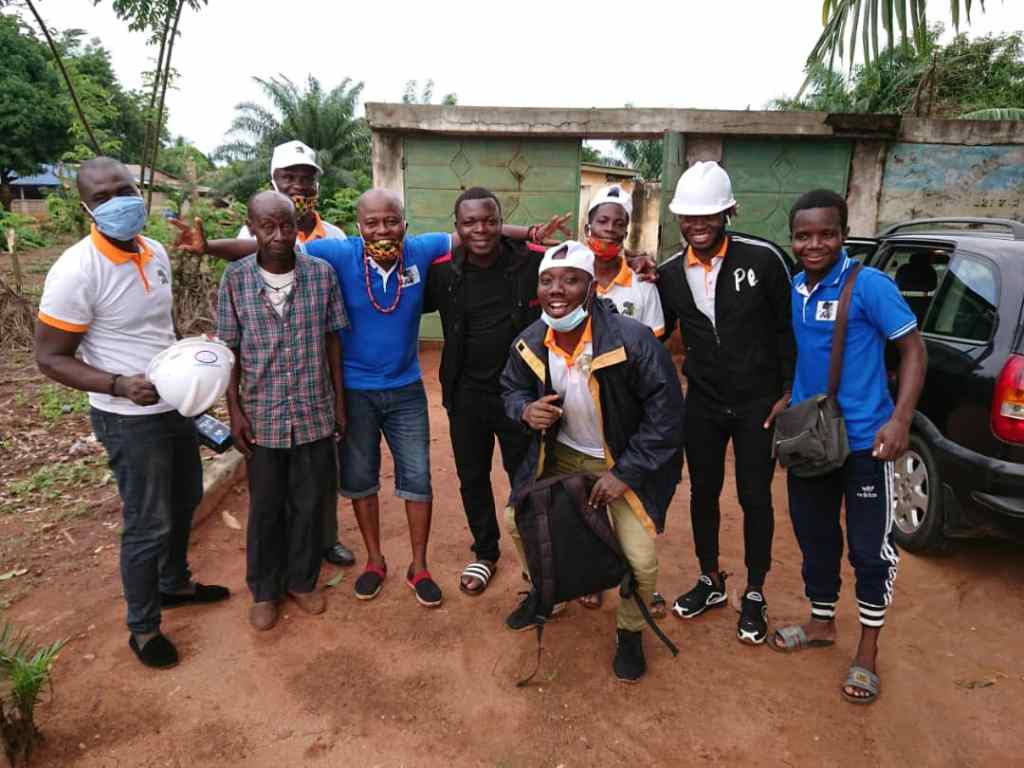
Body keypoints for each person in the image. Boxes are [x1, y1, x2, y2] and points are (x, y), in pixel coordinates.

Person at [35, 157, 229, 670]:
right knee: (148, 520)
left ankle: (175, 584)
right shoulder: (76, 270)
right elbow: (49, 357)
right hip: (127, 417)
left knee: (186, 498)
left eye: (123, 190)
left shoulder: (155, 250)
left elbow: (158, 330)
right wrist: (118, 384)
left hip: (173, 403)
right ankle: (143, 627)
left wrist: (190, 354)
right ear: (86, 208)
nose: (117, 202)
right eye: (102, 197)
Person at [501, 241, 685, 683]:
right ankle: (547, 592)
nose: (556, 290)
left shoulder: (631, 340)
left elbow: (666, 417)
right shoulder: (531, 341)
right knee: (518, 521)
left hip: (621, 460)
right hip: (563, 455)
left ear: (591, 288)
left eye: (570, 280)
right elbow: (510, 389)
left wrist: (624, 474)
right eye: (547, 281)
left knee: (640, 561)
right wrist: (524, 409)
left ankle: (630, 630)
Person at [770, 189, 925, 706]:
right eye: (803, 236)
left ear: (844, 235)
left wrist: (900, 419)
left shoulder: (870, 285)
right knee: (814, 536)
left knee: (868, 549)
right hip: (813, 440)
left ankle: (867, 650)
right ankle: (821, 623)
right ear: (792, 239)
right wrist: (789, 395)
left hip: (866, 444)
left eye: (826, 234)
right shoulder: (796, 287)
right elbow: (806, 352)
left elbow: (913, 350)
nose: (814, 244)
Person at [173, 139, 355, 568]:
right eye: (290, 177)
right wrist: (211, 246)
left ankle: (324, 542)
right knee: (273, 490)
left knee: (319, 478)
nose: (299, 185)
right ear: (273, 181)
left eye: (306, 178)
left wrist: (338, 397)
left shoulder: (335, 237)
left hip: (312, 382)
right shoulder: (248, 244)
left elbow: (332, 326)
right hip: (267, 388)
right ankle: (280, 561)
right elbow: (247, 272)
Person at [656, 160, 794, 645]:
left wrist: (788, 392)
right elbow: (657, 331)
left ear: (728, 212)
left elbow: (789, 329)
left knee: (755, 497)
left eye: (708, 215)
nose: (698, 225)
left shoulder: (765, 259)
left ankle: (755, 591)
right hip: (704, 402)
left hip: (760, 404)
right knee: (703, 492)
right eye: (689, 216)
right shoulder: (669, 273)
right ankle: (711, 579)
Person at [217, 191, 348, 631]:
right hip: (263, 414)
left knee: (309, 503)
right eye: (267, 226)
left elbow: (333, 340)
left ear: (297, 227)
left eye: (286, 225)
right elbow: (230, 351)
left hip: (313, 408)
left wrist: (339, 402)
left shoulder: (321, 275)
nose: (278, 235)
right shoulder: (235, 279)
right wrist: (235, 411)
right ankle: (264, 590)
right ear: (252, 227)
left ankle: (302, 580)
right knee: (266, 506)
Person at [424, 188, 544, 596]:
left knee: (525, 476)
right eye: (470, 222)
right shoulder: (443, 271)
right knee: (472, 476)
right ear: (457, 227)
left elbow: (583, 270)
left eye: (490, 220)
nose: (481, 229)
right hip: (466, 395)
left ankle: (534, 555)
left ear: (501, 223)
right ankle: (485, 551)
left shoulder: (531, 262)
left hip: (520, 395)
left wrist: (638, 263)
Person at [580, 183, 666, 612]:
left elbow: (654, 355)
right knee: (588, 497)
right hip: (580, 408)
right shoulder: (572, 275)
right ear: (588, 225)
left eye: (619, 223)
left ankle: (637, 576)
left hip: (627, 410)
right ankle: (594, 573)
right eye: (603, 221)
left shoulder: (643, 286)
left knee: (630, 496)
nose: (610, 230)